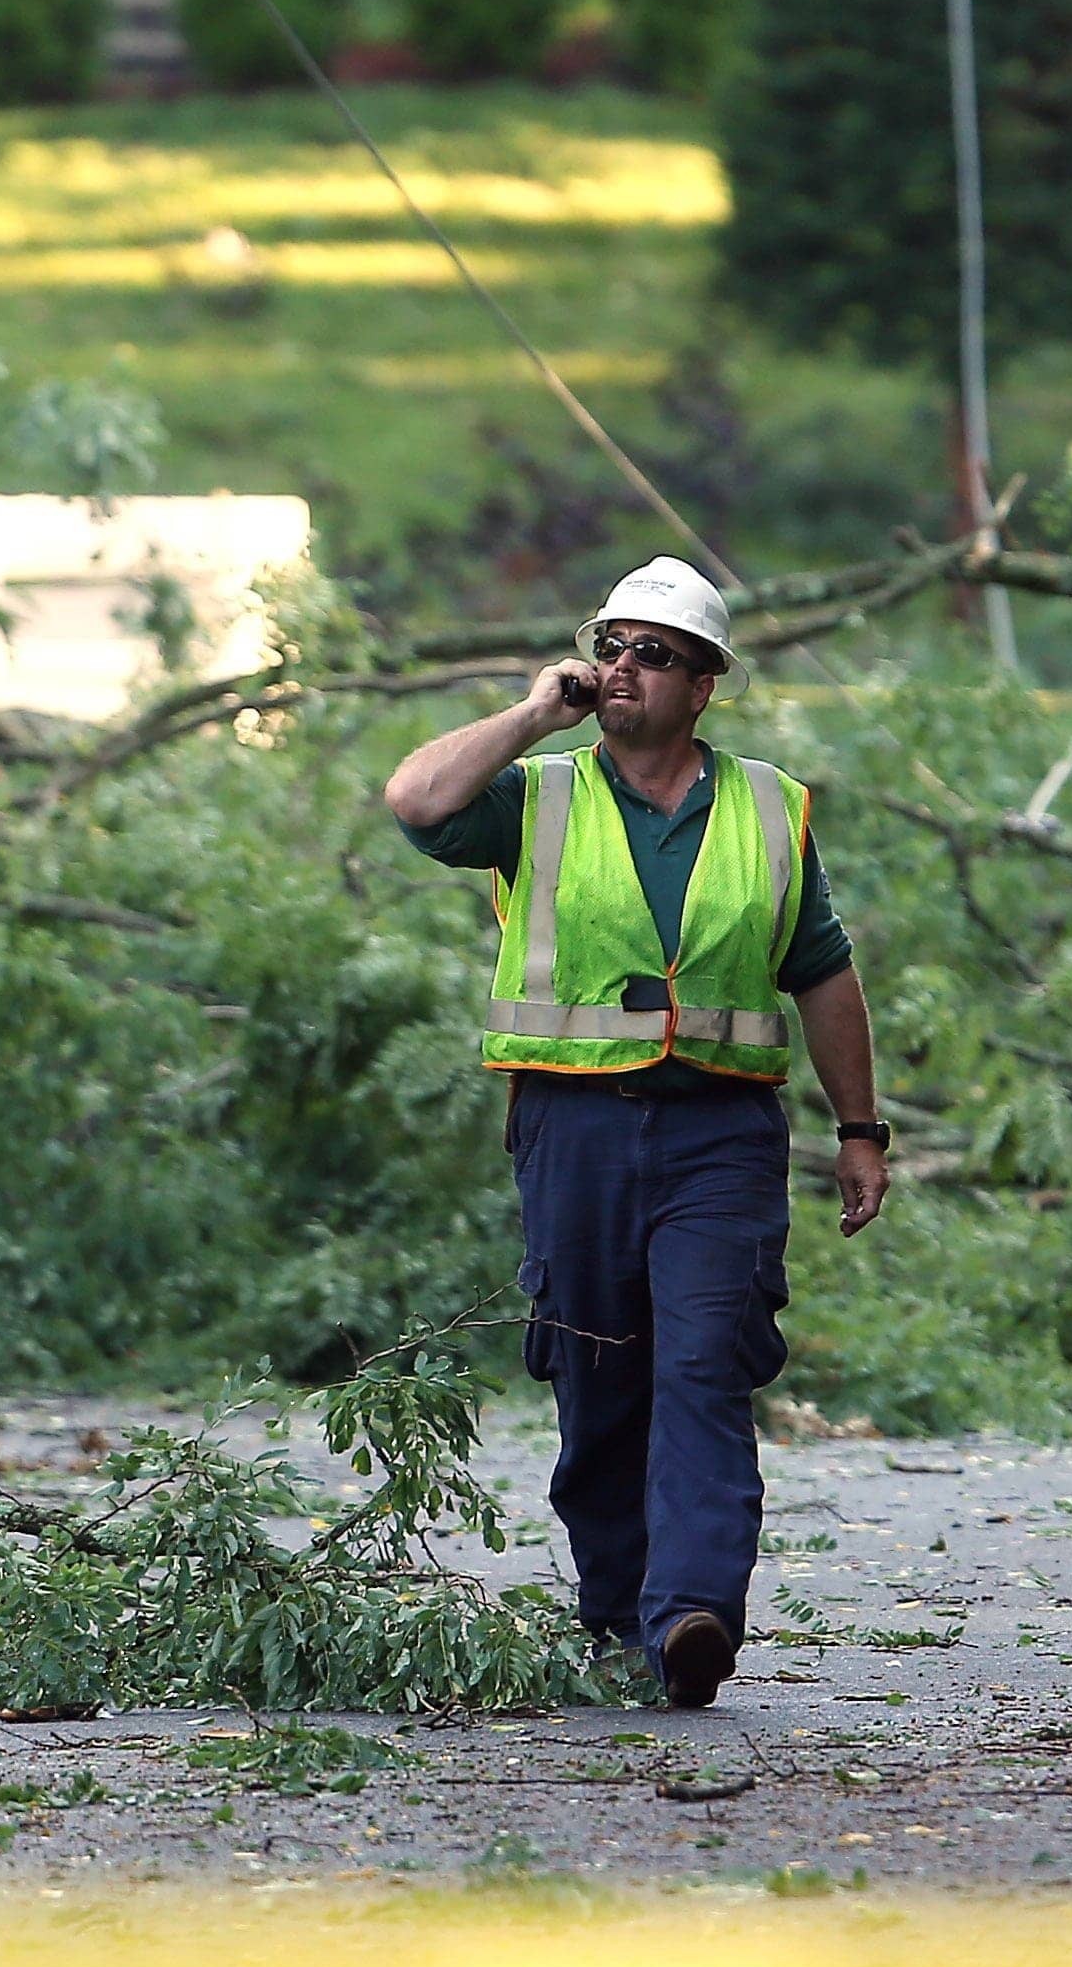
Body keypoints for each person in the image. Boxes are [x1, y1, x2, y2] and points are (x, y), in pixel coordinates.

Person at [381, 559, 892, 1710]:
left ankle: (693, 1613)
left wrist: (860, 1129)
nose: (622, 668)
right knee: (599, 1379)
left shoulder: (769, 805)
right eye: (610, 644)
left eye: (652, 654)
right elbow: (414, 799)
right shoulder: (540, 793)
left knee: (708, 1365)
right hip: (574, 1130)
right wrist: (532, 712)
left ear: (705, 683)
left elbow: (825, 976)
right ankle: (618, 1617)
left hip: (722, 1132)